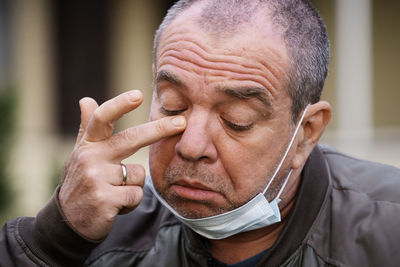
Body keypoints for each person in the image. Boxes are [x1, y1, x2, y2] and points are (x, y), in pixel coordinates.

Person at [1, 0, 400, 266]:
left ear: (306, 133)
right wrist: (52, 240)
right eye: (173, 105)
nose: (191, 146)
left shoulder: (387, 231)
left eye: (236, 119)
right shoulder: (99, 234)